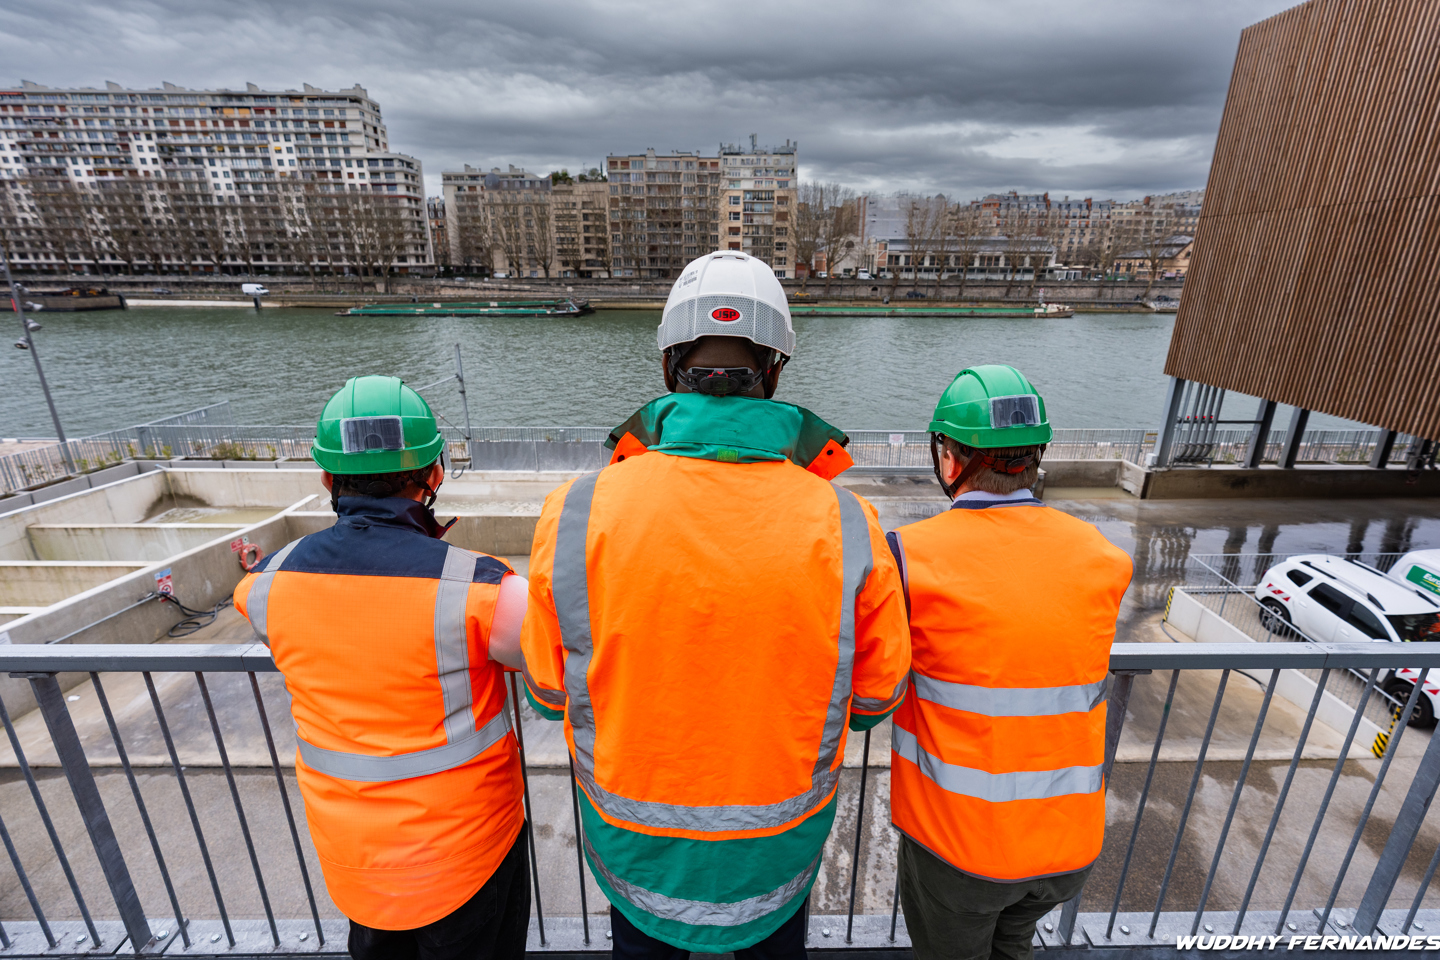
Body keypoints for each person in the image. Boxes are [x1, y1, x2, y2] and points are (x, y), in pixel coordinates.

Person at [520, 251, 911, 960]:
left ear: (668, 364)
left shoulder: (576, 511)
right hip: (774, 857)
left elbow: (549, 694)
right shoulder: (848, 523)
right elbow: (876, 698)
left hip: (637, 857)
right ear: (776, 370)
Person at [234, 375, 532, 960]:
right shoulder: (481, 589)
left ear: (327, 478)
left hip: (354, 861)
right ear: (434, 474)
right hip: (467, 857)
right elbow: (544, 658)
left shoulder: (265, 586)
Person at [885, 364, 1133, 960]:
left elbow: (874, 686)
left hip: (962, 847)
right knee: (1013, 944)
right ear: (1035, 458)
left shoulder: (910, 557)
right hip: (1068, 844)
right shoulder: (1103, 556)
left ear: (950, 459)